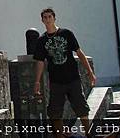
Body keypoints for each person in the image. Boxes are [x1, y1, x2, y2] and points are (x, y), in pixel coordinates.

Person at [33, 7, 96, 138]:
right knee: (54, 110)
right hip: (56, 81)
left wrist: (89, 72)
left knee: (81, 106)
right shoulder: (41, 41)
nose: (48, 19)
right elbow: (40, 62)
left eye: (50, 16)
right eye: (45, 17)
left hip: (73, 77)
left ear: (54, 18)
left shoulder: (66, 34)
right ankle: (59, 135)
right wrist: (37, 81)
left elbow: (79, 52)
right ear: (42, 20)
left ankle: (88, 133)